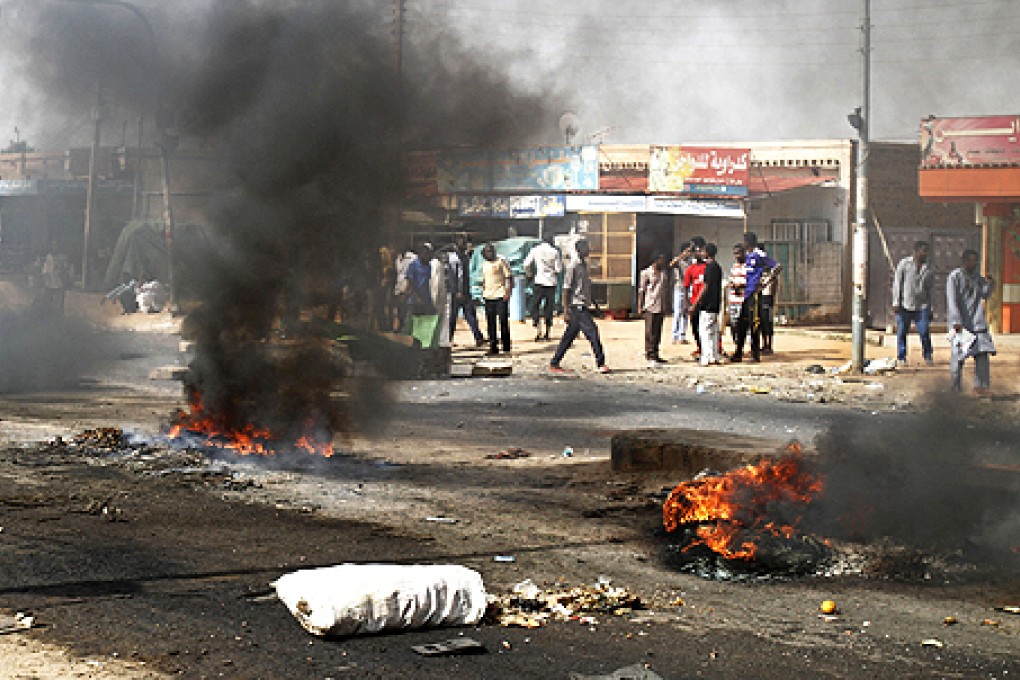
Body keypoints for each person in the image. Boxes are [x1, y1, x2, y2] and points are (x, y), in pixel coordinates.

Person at [549, 239, 609, 374]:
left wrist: (596, 306)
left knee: (569, 336)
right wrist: (566, 310)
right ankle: (601, 363)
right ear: (579, 250)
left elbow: (586, 287)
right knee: (593, 332)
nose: (588, 251)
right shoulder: (573, 266)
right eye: (586, 248)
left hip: (583, 304)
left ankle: (555, 362)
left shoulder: (584, 265)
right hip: (577, 306)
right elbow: (566, 288)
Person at [946, 249, 995, 394]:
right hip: (960, 322)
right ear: (965, 261)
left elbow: (984, 294)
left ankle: (981, 387)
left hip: (977, 321)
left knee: (982, 353)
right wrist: (956, 320)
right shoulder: (954, 276)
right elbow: (952, 300)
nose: (974, 263)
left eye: (976, 260)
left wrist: (990, 284)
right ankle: (955, 387)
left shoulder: (977, 278)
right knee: (958, 356)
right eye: (971, 260)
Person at [733, 231, 781, 363]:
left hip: (755, 294)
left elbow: (777, 266)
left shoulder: (759, 254)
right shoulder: (748, 256)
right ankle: (738, 352)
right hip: (747, 293)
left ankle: (755, 354)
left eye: (744, 241)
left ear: (748, 242)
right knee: (741, 324)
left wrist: (765, 282)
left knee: (754, 324)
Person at [891, 240, 934, 366]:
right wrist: (896, 302)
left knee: (924, 331)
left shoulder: (928, 268)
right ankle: (901, 356)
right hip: (905, 304)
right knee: (902, 331)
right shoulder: (904, 264)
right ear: (916, 251)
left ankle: (927, 355)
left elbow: (930, 289)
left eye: (927, 252)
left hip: (922, 305)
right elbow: (897, 283)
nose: (926, 254)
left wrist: (931, 307)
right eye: (923, 251)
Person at [523, 234, 562, 341]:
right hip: (551, 283)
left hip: (539, 281)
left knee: (535, 306)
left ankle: (538, 329)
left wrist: (529, 274)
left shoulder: (535, 250)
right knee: (549, 308)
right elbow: (558, 269)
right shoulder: (555, 252)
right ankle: (547, 332)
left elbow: (526, 264)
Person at [448, 234, 485, 347]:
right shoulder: (454, 259)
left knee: (470, 315)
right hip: (457, 291)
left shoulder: (464, 257)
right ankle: (449, 339)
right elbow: (455, 276)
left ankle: (478, 337)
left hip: (464, 290)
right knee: (454, 317)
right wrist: (458, 291)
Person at [638, 252, 669, 368]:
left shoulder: (663, 273)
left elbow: (665, 290)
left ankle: (656, 353)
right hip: (650, 305)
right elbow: (641, 290)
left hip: (660, 305)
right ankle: (649, 353)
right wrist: (640, 306)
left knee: (658, 331)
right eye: (661, 259)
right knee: (649, 331)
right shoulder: (646, 273)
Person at [480, 243, 512, 356]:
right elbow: (484, 279)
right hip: (488, 296)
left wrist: (508, 292)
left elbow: (508, 277)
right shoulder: (484, 264)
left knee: (503, 321)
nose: (489, 253)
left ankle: (506, 345)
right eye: (487, 252)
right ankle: (493, 346)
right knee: (490, 322)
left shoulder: (500, 262)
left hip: (500, 294)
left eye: (490, 251)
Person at [696, 243, 724, 365]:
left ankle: (706, 357)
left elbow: (706, 286)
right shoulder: (717, 267)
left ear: (707, 253)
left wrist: (696, 303)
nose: (701, 253)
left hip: (707, 305)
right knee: (713, 331)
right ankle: (714, 356)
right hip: (716, 304)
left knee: (705, 331)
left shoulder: (709, 267)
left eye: (703, 251)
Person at [683, 238, 707, 360]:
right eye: (695, 251)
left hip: (706, 302)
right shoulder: (690, 269)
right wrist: (687, 304)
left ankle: (709, 348)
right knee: (695, 327)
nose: (697, 253)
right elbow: (686, 287)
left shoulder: (708, 266)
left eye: (699, 251)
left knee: (707, 327)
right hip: (694, 302)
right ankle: (700, 347)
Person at [669, 242, 693, 344]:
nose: (689, 253)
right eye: (687, 251)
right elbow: (671, 264)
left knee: (685, 312)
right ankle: (675, 335)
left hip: (688, 288)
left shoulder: (691, 263)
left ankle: (682, 336)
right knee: (678, 312)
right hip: (679, 288)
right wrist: (681, 256)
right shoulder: (678, 261)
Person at [727, 243, 747, 354]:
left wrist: (741, 286)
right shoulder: (734, 267)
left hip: (742, 300)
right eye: (735, 254)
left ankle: (741, 347)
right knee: (733, 324)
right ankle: (737, 344)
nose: (737, 256)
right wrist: (733, 285)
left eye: (739, 253)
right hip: (733, 299)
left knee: (741, 325)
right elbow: (731, 280)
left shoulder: (748, 267)